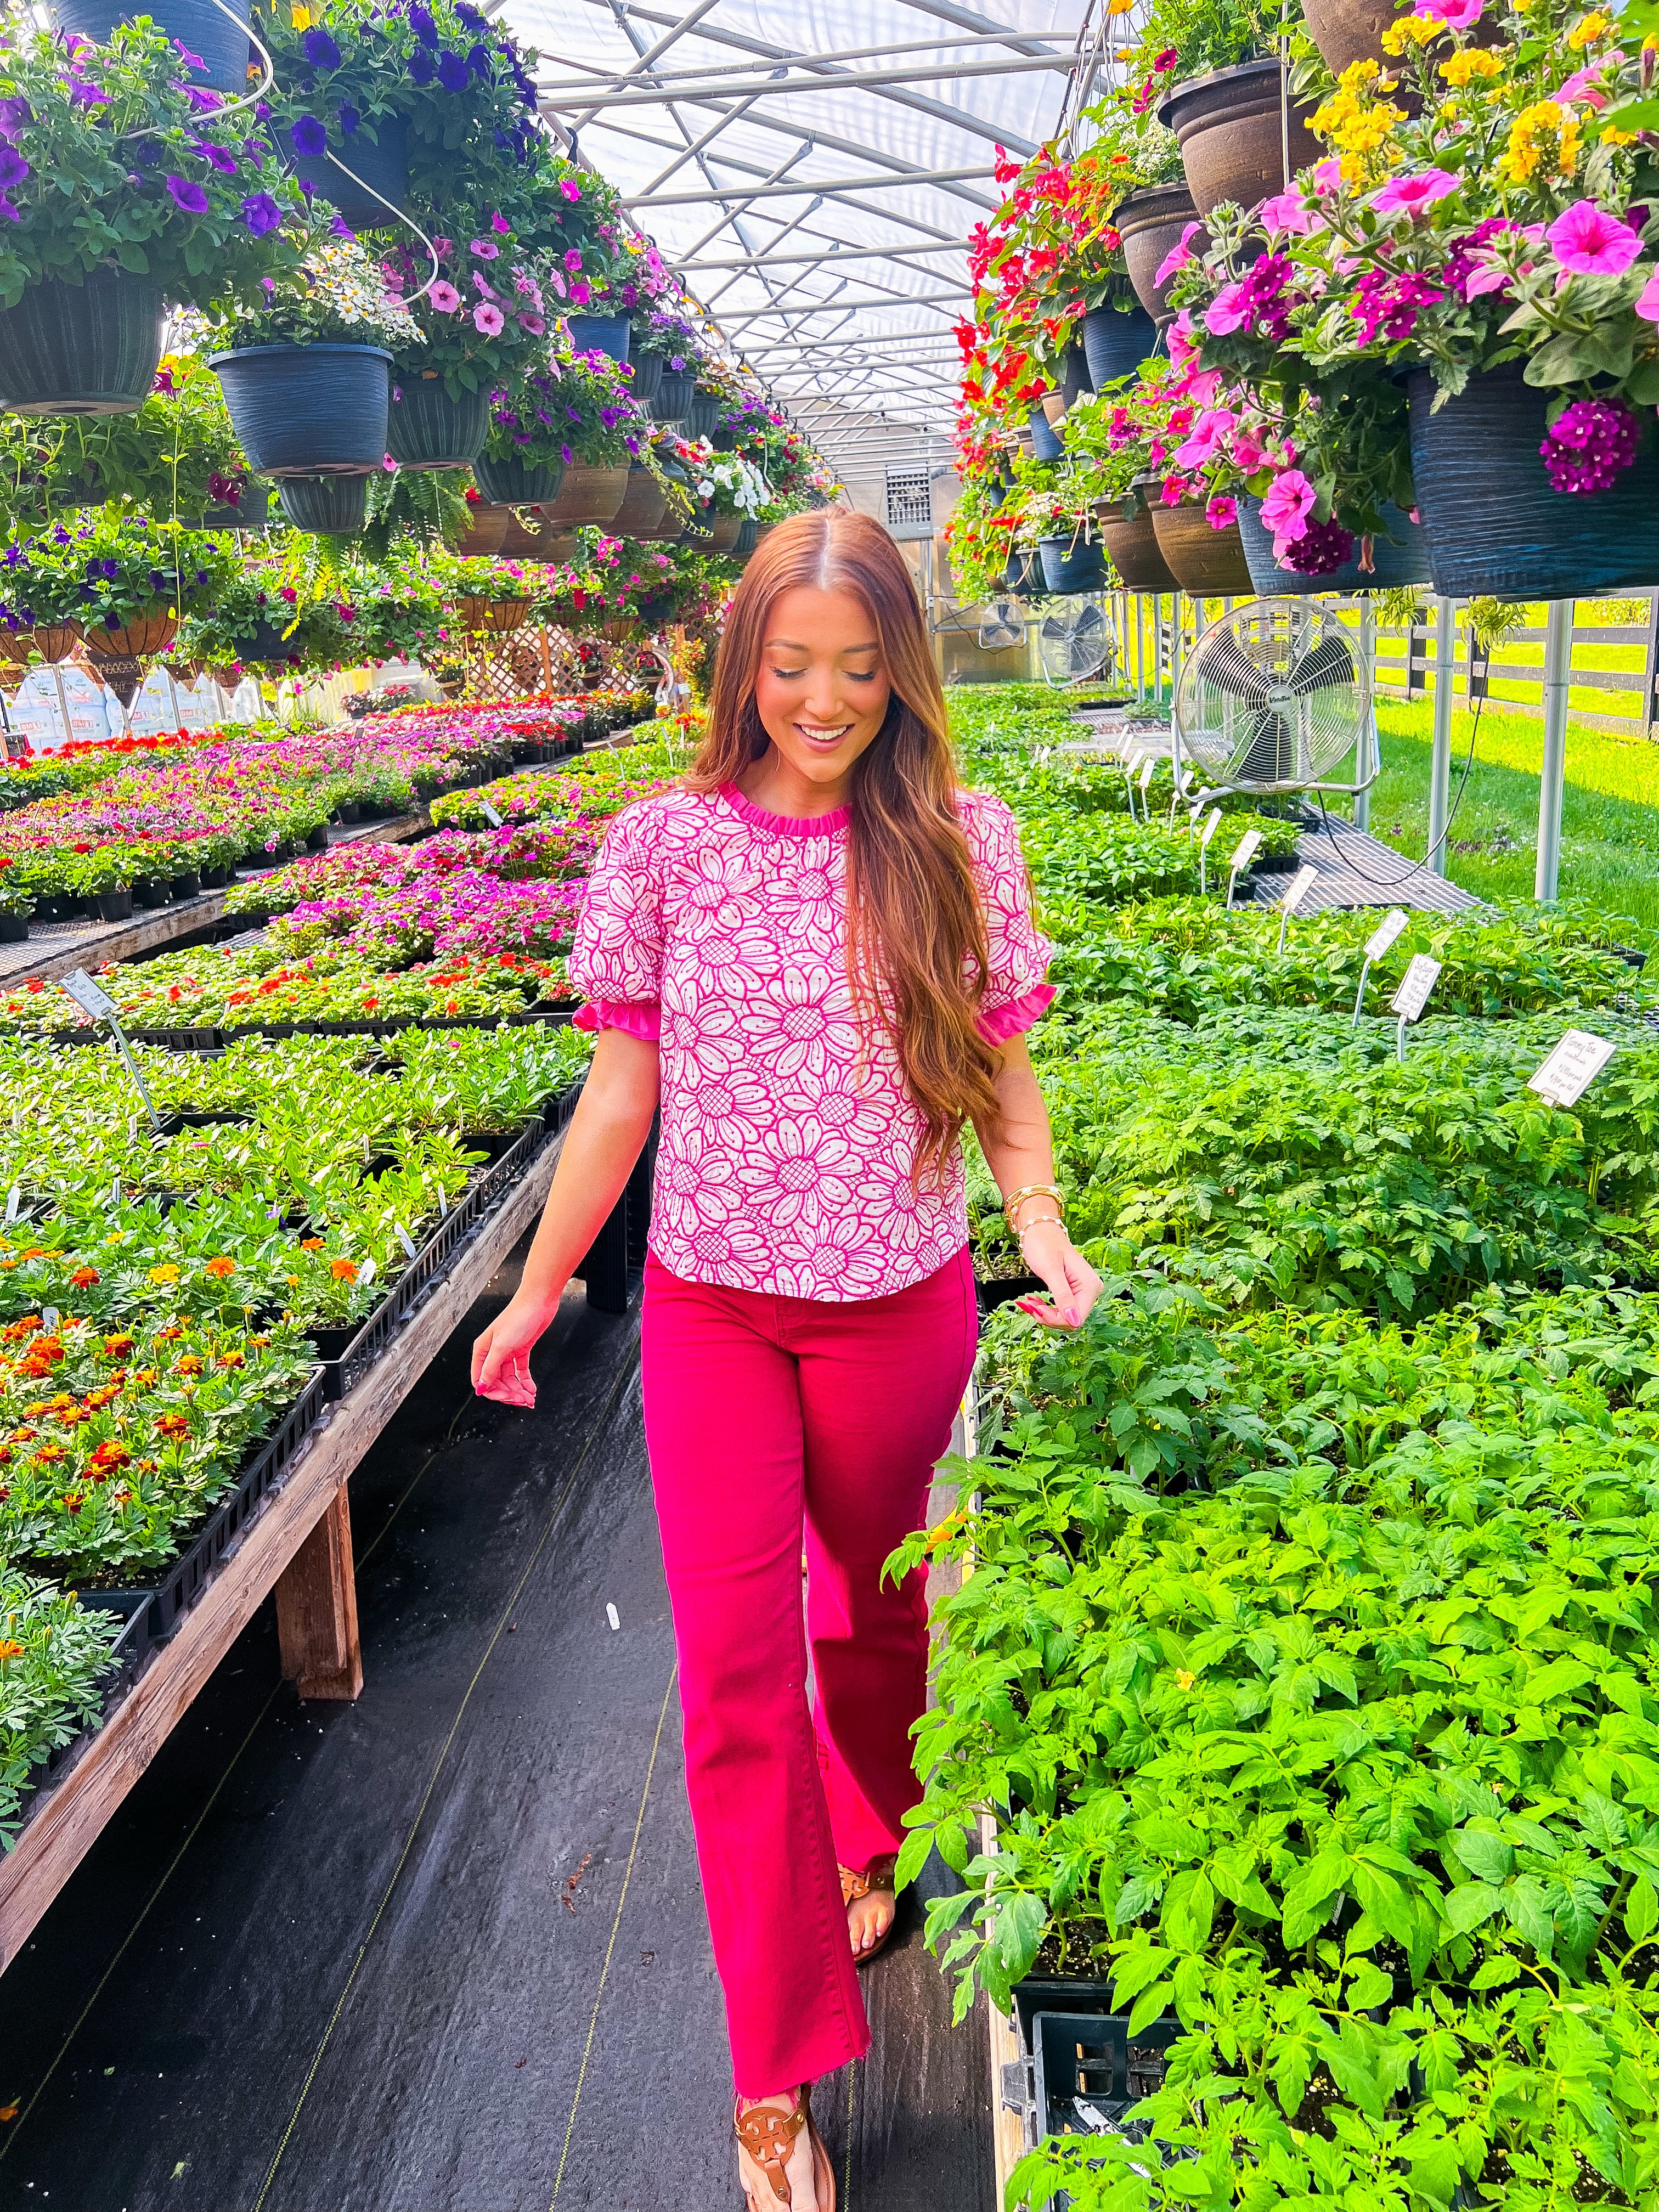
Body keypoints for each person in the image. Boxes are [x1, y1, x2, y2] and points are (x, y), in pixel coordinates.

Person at [471, 509, 1103, 2209]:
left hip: (900, 1296)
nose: (822, 700)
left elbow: (1001, 1067)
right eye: (791, 662)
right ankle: (772, 2078)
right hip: (712, 1311)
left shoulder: (959, 836)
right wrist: (537, 1299)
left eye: (857, 665)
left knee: (874, 1597)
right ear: (743, 657)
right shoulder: (664, 842)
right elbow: (620, 1097)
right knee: (736, 1680)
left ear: (900, 667)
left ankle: (881, 1824)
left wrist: (1036, 1217)